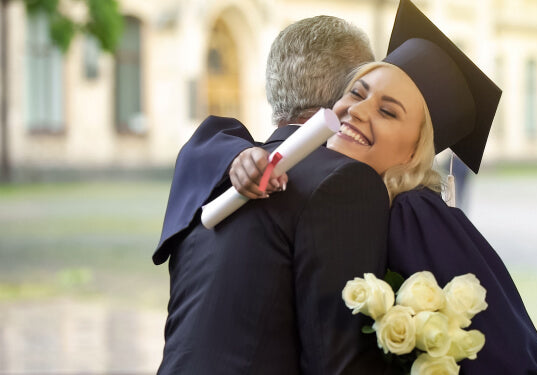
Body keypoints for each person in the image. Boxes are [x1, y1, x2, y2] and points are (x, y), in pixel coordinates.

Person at [229, 1, 537, 372]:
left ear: (416, 150)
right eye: (357, 93)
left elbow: (510, 352)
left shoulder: (416, 215)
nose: (358, 111)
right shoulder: (337, 196)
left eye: (388, 111)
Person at [153, 17, 389, 374]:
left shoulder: (216, 169)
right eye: (365, 90)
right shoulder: (342, 182)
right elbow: (338, 362)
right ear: (349, 96)